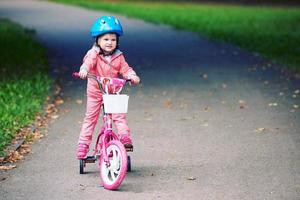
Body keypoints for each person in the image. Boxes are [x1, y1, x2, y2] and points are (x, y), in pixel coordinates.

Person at [77, 16, 140, 159]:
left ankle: (124, 138)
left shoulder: (119, 56)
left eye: (113, 39)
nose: (109, 42)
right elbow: (87, 63)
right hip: (95, 92)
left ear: (117, 41)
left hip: (112, 92)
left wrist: (132, 76)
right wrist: (84, 70)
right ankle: (83, 144)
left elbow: (125, 69)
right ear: (98, 40)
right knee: (90, 118)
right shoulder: (93, 54)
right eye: (106, 39)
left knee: (119, 116)